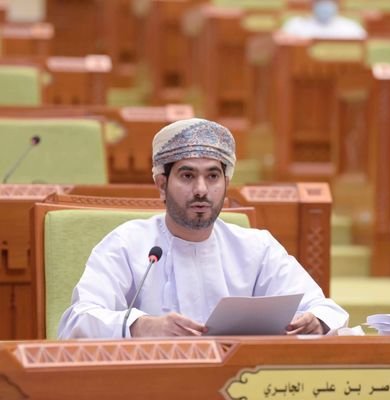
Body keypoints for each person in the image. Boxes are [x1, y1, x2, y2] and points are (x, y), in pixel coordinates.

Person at [58, 118, 348, 339]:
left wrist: (315, 321)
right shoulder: (127, 244)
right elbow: (76, 321)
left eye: (212, 176)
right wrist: (140, 326)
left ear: (226, 183)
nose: (201, 189)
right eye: (187, 176)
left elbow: (326, 309)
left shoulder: (256, 247)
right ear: (162, 184)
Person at [281, 0, 366, 39]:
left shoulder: (351, 28)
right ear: (312, 3)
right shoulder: (296, 25)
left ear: (337, 3)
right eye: (320, 1)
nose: (325, 3)